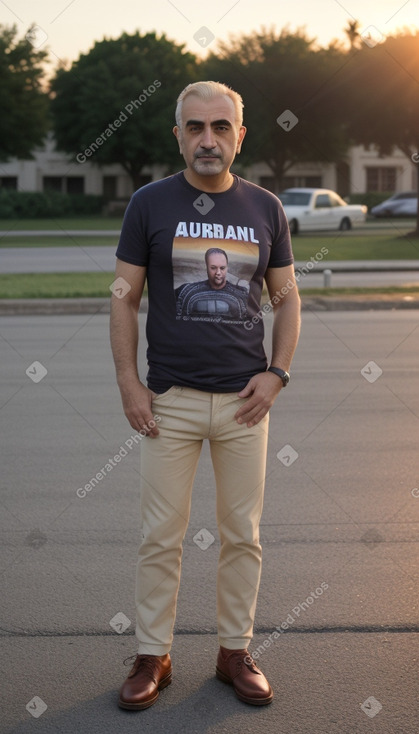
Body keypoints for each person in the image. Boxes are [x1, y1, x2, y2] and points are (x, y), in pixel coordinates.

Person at [110, 80, 301, 710]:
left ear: (240, 135)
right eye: (195, 127)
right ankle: (151, 655)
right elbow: (124, 297)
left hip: (247, 403)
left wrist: (277, 373)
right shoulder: (149, 203)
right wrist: (129, 383)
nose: (208, 139)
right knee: (159, 535)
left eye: (221, 127)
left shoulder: (266, 207)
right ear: (178, 135)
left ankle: (233, 652)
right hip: (170, 401)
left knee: (241, 534)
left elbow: (287, 297)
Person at [175, 247, 249, 321]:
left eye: (222, 268)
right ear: (206, 267)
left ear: (227, 268)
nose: (218, 273)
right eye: (213, 268)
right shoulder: (186, 292)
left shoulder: (241, 295)